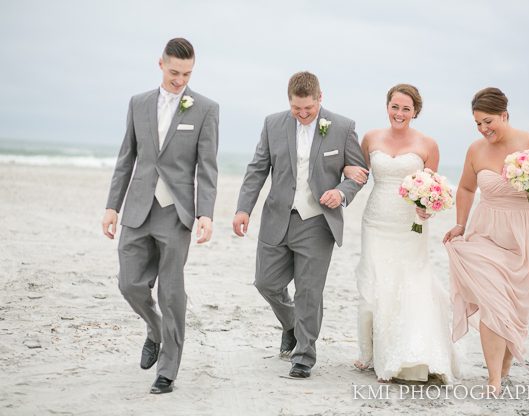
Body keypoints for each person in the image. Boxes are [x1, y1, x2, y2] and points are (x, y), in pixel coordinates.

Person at [101, 38, 219, 394]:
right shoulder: (138, 104)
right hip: (138, 207)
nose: (180, 79)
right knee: (129, 284)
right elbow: (127, 158)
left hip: (176, 213)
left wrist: (206, 213)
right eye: (174, 72)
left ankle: (168, 368)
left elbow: (207, 167)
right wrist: (112, 206)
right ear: (160, 64)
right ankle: (154, 328)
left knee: (171, 291)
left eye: (187, 73)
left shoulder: (206, 109)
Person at [232, 71, 367, 378]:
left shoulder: (343, 128)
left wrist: (341, 193)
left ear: (320, 98)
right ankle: (291, 324)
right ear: (289, 101)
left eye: (309, 108)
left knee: (309, 291)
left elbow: (358, 173)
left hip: (318, 223)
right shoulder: (272, 124)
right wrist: (243, 209)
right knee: (266, 282)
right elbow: (257, 170)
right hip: (277, 217)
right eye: (297, 109)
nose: (303, 114)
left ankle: (304, 355)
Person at [443, 87, 529, 395]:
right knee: (494, 304)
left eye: (488, 122)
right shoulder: (476, 150)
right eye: (478, 124)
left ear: (504, 115)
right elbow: (466, 189)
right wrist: (460, 224)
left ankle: (505, 370)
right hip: (486, 233)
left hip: (527, 239)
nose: (484, 130)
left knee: (515, 311)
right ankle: (493, 380)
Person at [344, 84, 460, 383]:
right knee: (374, 284)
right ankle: (368, 352)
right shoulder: (371, 138)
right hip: (376, 221)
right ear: (387, 107)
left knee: (409, 283)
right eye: (395, 107)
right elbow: (357, 172)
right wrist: (346, 172)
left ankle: (408, 350)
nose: (399, 113)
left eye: (406, 108)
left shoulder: (428, 145)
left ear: (415, 112)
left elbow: (433, 191)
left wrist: (427, 209)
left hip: (410, 225)